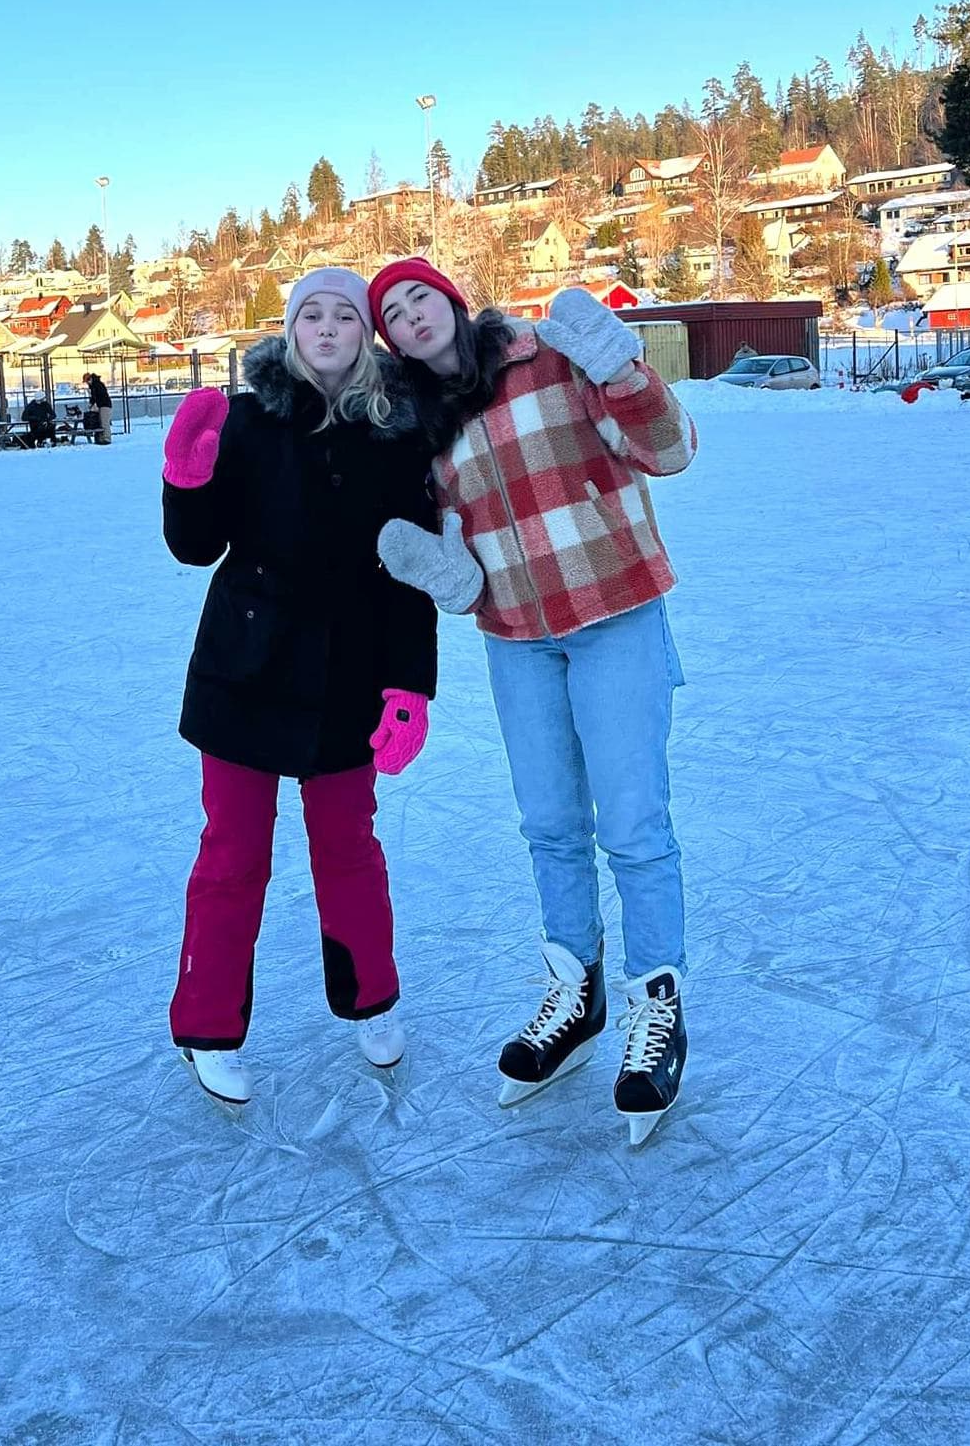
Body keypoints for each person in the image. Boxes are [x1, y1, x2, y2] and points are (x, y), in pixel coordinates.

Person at [370, 259, 697, 1144]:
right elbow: (452, 547)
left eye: (418, 298)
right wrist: (450, 575)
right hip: (515, 635)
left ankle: (655, 1007)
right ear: (390, 340)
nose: (410, 318)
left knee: (632, 823)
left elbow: (670, 449)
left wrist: (626, 375)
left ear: (450, 300)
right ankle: (576, 991)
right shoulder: (424, 428)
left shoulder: (549, 355)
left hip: (617, 609)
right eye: (391, 315)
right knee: (550, 823)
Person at [163, 267, 438, 1107]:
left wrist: (409, 685)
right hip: (244, 672)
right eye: (310, 315)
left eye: (343, 316)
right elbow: (194, 545)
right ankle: (207, 1024)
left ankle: (372, 1001)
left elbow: (409, 571)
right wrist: (187, 473)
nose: (325, 329)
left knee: (349, 848)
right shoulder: (247, 420)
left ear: (364, 334)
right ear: (290, 330)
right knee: (232, 854)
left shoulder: (395, 434)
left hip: (348, 678)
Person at [84, 372, 113, 445]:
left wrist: (92, 403)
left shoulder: (96, 385)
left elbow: (96, 396)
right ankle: (101, 438)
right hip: (101, 405)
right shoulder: (95, 385)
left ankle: (106, 438)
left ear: (89, 379)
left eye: (87, 381)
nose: (87, 383)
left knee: (104, 422)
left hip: (104, 405)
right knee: (100, 422)